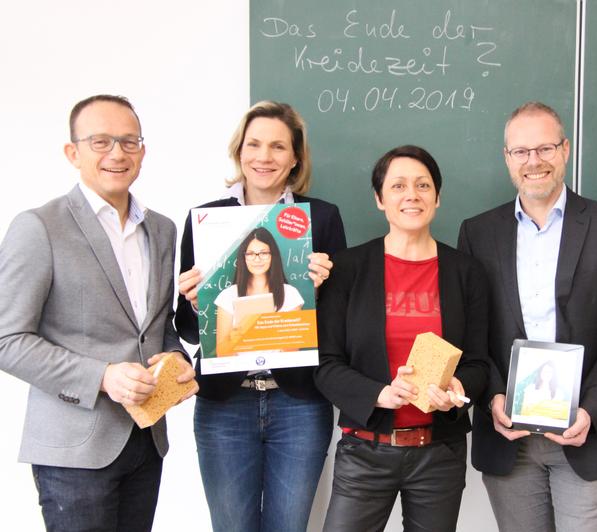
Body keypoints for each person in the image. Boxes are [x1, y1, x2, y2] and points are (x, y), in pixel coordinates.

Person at [0, 94, 197, 531]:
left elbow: (156, 326)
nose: (117, 154)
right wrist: (102, 376)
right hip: (74, 449)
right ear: (73, 152)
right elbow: (6, 340)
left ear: (142, 151)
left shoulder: (161, 229)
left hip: (146, 441)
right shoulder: (39, 227)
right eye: (101, 141)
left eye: (129, 142)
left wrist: (175, 358)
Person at [458, 101, 597, 532]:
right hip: (509, 436)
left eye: (545, 148)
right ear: (507, 158)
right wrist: (492, 397)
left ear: (565, 149)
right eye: (521, 151)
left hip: (588, 434)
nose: (534, 161)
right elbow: (471, 336)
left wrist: (591, 410)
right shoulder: (478, 232)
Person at [174, 101, 346, 532]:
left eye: (277, 146)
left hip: (300, 403)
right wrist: (197, 303)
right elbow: (187, 329)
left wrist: (320, 289)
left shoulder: (322, 218)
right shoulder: (205, 220)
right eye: (254, 144)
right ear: (239, 151)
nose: (263, 157)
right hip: (223, 402)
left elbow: (342, 324)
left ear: (295, 158)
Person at [314, 145, 490, 532]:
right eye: (398, 186)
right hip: (364, 450)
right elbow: (326, 366)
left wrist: (458, 388)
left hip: (438, 454)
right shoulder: (346, 270)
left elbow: (480, 362)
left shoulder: (466, 272)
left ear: (437, 197)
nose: (412, 194)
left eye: (423, 185)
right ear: (380, 199)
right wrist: (378, 393)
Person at [214, 227, 303, 355]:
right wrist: (236, 337)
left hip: (280, 372)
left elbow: (292, 351)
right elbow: (222, 354)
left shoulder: (291, 294)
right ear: (243, 257)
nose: (257, 259)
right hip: (240, 372)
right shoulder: (227, 296)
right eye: (250, 254)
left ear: (273, 255)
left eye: (264, 253)